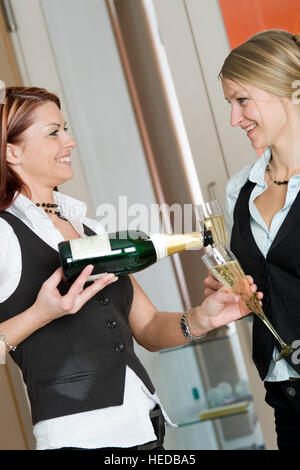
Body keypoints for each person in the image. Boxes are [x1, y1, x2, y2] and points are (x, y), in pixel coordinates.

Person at [0, 86, 257, 451]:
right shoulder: (5, 234)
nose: (70, 141)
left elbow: (149, 326)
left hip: (146, 428)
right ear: (12, 151)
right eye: (53, 132)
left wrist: (203, 319)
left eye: (66, 128)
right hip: (80, 439)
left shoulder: (90, 229)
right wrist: (41, 314)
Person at [204, 30, 300, 450]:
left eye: (242, 100)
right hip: (286, 400)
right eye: (230, 104)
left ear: (292, 90)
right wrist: (235, 295)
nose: (234, 119)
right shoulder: (238, 189)